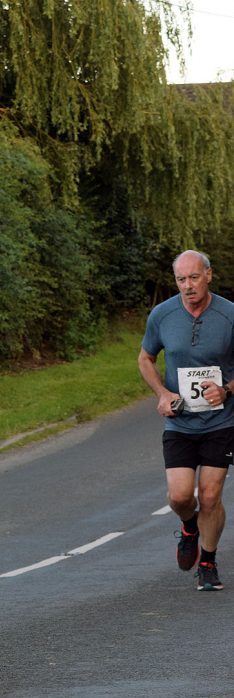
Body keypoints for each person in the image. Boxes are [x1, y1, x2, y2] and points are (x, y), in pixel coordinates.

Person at [138, 249, 234, 591]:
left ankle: (207, 562)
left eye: (194, 277)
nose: (188, 286)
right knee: (180, 497)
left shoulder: (229, 315)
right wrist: (163, 394)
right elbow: (146, 358)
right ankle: (189, 527)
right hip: (179, 423)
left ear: (208, 275)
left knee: (210, 495)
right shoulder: (162, 315)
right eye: (181, 280)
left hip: (220, 423)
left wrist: (226, 389)